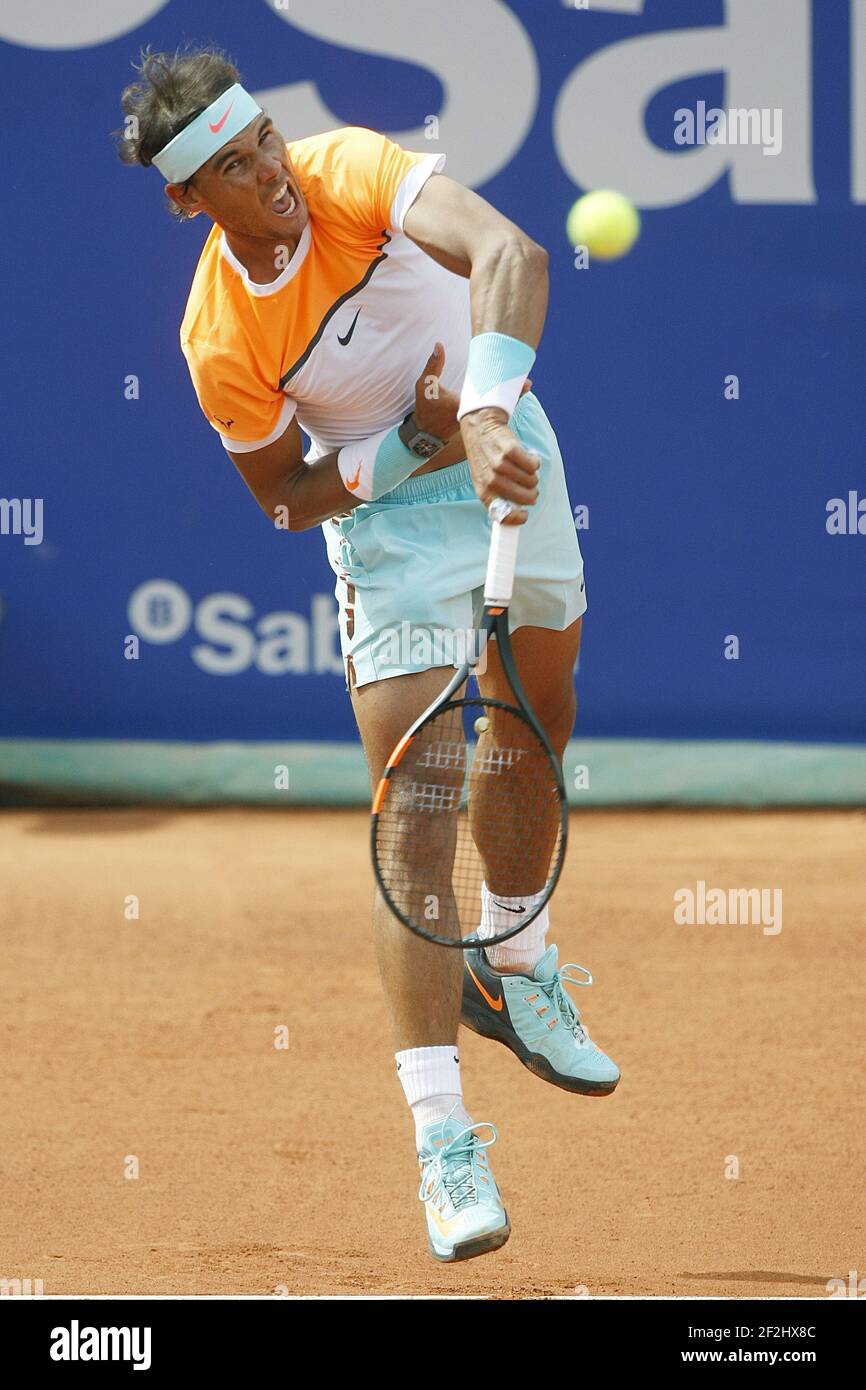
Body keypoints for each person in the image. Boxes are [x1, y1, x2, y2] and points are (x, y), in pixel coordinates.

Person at [116, 44, 619, 1265]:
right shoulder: (217, 333)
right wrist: (407, 448)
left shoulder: (347, 170)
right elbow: (285, 496)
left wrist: (485, 416)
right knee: (415, 805)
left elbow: (515, 256)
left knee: (533, 722)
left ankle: (516, 959)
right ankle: (443, 1140)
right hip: (386, 528)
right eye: (230, 169)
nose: (267, 174)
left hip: (506, 450)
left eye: (263, 143)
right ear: (190, 200)